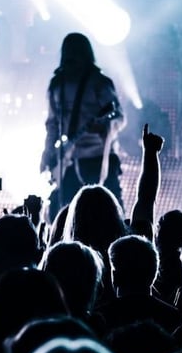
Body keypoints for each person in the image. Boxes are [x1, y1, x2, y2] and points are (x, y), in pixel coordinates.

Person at [40, 32, 126, 223]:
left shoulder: (100, 83)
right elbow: (52, 124)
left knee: (110, 213)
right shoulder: (57, 84)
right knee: (65, 215)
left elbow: (119, 117)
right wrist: (48, 154)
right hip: (68, 161)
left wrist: (105, 127)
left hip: (98, 156)